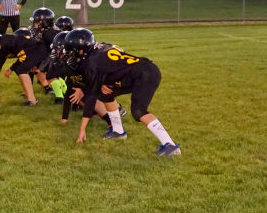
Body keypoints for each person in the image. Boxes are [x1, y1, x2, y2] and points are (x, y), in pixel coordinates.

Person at [63, 28, 181, 156]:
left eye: (72, 52)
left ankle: (170, 146)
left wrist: (82, 128)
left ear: (82, 50)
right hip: (137, 72)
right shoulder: (101, 47)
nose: (70, 55)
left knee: (138, 111)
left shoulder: (92, 63)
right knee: (106, 94)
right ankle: (118, 131)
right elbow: (115, 62)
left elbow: (91, 99)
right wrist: (104, 81)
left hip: (145, 75)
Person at [0, 27, 47, 105]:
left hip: (38, 49)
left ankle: (32, 100)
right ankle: (31, 93)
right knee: (20, 69)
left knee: (21, 69)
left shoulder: (7, 41)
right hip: (31, 52)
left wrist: (11, 69)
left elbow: (23, 56)